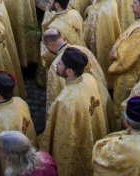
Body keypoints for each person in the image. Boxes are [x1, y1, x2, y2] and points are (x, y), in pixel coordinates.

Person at [42, 47, 109, 176]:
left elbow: (63, 136)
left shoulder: (65, 100)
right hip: (89, 130)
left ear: (69, 71)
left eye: (60, 64)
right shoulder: (89, 79)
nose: (56, 65)